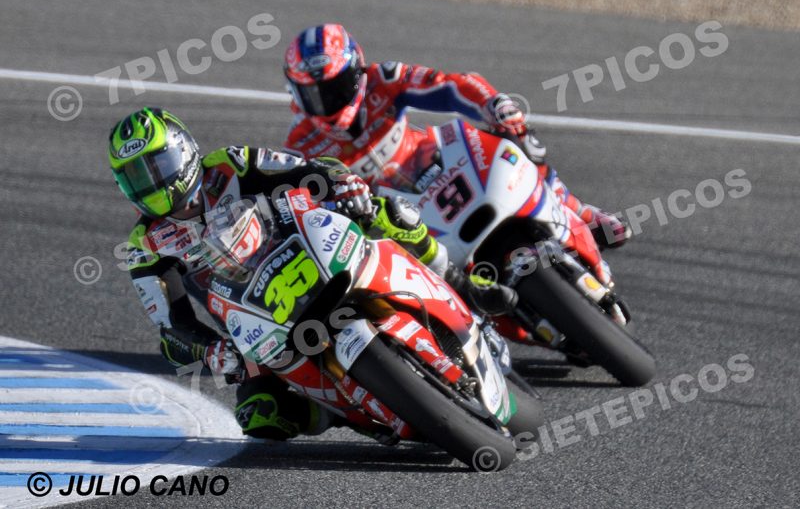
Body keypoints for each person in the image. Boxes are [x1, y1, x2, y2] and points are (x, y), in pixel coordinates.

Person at [109, 107, 516, 441]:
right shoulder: (145, 248)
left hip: (308, 250)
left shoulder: (230, 164)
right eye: (137, 177)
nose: (154, 183)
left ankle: (465, 286)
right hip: (254, 323)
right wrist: (211, 350)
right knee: (259, 416)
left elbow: (303, 169)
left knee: (388, 213)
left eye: (157, 166)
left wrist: (343, 186)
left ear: (183, 151)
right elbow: (172, 328)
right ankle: (341, 413)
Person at [283, 24, 631, 255]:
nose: (327, 101)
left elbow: (451, 85)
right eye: (313, 93)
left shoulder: (382, 79)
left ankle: (581, 213)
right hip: (396, 215)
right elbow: (310, 210)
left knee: (513, 146)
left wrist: (496, 105)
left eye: (334, 87)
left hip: (438, 163)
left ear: (356, 70)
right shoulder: (301, 145)